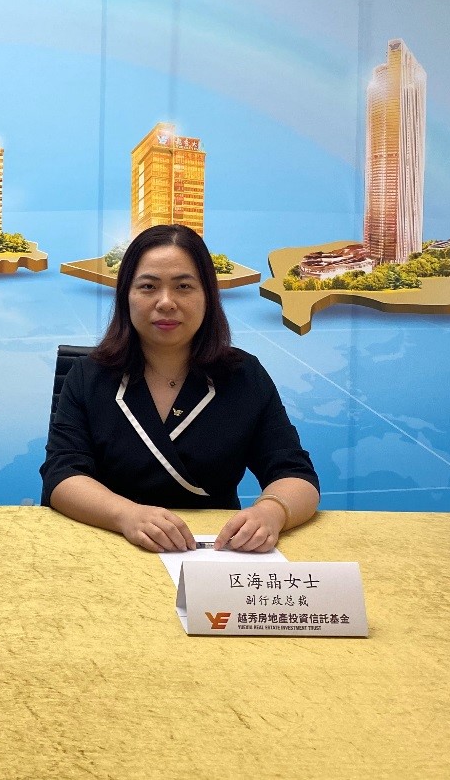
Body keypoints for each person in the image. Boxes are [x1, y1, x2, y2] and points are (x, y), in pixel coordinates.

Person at [41, 224, 320, 553]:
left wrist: (272, 512)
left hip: (212, 550)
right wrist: (126, 515)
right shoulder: (89, 375)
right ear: (126, 295)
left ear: (208, 296)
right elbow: (62, 475)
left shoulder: (243, 375)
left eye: (183, 286)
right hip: (110, 542)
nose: (166, 302)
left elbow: (295, 473)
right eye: (148, 286)